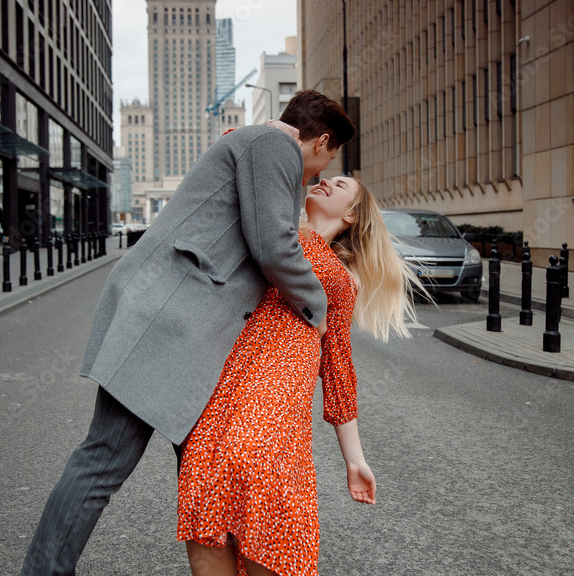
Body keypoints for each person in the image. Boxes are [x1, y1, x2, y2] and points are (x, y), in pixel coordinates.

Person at [20, 90, 355, 575]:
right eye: (328, 161)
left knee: (205, 467)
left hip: (180, 334)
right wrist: (316, 304)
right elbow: (273, 245)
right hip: (165, 324)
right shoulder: (273, 146)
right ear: (322, 142)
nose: (320, 174)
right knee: (104, 460)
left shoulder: (255, 141)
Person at [178, 176, 419, 576]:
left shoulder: (341, 279)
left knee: (269, 500)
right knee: (206, 503)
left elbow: (338, 367)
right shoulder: (269, 238)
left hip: (278, 394)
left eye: (340, 185)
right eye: (324, 177)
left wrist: (355, 459)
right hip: (222, 388)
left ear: (351, 214)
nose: (325, 182)